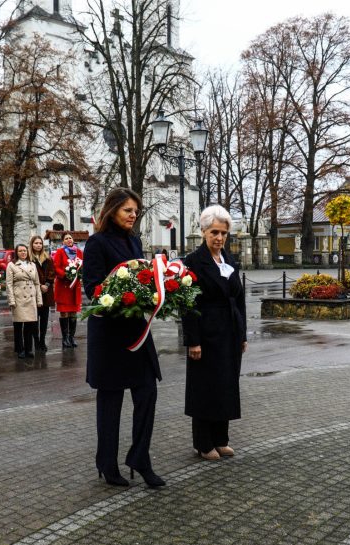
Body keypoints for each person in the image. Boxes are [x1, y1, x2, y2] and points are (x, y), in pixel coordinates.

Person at [83, 188, 164, 488]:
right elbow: (92, 287)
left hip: (137, 333)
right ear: (113, 210)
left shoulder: (134, 241)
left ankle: (140, 458)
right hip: (109, 336)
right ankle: (107, 462)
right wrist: (122, 298)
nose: (133, 215)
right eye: (128, 210)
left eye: (136, 211)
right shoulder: (96, 243)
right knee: (111, 403)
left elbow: (142, 278)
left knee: (147, 394)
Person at [182, 206, 248, 460]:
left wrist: (241, 334)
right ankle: (203, 443)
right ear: (203, 232)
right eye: (214, 232)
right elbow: (188, 304)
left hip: (229, 332)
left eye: (223, 233)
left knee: (226, 386)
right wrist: (193, 340)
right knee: (205, 387)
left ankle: (221, 439)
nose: (219, 238)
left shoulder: (228, 260)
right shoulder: (194, 261)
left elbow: (239, 299)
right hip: (206, 332)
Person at [6, 243, 41, 359]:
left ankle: (28, 349)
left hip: (31, 297)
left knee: (30, 325)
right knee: (18, 325)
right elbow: (9, 284)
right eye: (20, 251)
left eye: (25, 251)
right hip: (19, 297)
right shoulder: (11, 265)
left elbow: (37, 283)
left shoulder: (32, 265)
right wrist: (11, 300)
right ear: (16, 252)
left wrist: (39, 299)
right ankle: (20, 349)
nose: (23, 253)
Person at [53, 233, 83, 349]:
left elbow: (82, 266)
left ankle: (71, 337)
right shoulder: (60, 252)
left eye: (70, 238)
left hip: (75, 287)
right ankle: (65, 338)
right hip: (63, 286)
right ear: (63, 241)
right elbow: (56, 267)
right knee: (64, 312)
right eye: (66, 238)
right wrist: (66, 275)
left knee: (73, 312)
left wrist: (79, 274)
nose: (69, 240)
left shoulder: (79, 252)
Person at [29, 235, 54, 352]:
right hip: (34, 293)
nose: (38, 245)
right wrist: (39, 286)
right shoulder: (29, 259)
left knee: (44, 319)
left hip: (46, 293)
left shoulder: (47, 258)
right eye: (36, 243)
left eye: (40, 243)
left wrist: (47, 285)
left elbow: (51, 273)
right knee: (35, 319)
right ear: (32, 244)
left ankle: (42, 340)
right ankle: (36, 341)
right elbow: (29, 276)